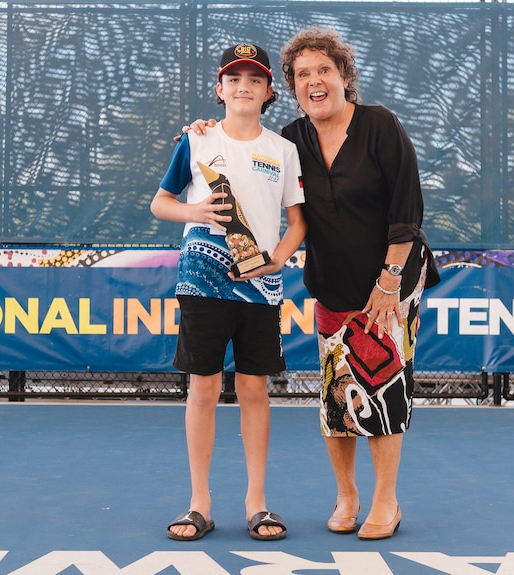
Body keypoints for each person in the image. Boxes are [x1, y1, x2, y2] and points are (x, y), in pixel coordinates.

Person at [185, 26, 439, 541]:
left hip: (390, 282)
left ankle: (386, 501)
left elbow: (407, 213)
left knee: (383, 389)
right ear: (293, 87)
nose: (314, 81)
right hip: (331, 285)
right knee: (337, 397)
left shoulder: (380, 126)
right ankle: (347, 496)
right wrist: (206, 130)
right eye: (303, 74)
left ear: (345, 77)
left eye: (324, 70)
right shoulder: (291, 140)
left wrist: (389, 282)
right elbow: (242, 145)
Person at [151, 41, 306, 542]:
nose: (244, 87)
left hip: (260, 288)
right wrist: (193, 213)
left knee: (254, 389)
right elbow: (161, 203)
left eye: (255, 79)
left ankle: (257, 503)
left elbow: (297, 222)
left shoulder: (283, 151)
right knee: (203, 388)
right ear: (219, 89)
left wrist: (275, 259)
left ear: (268, 92)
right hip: (201, 282)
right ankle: (199, 503)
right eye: (234, 79)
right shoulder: (195, 142)